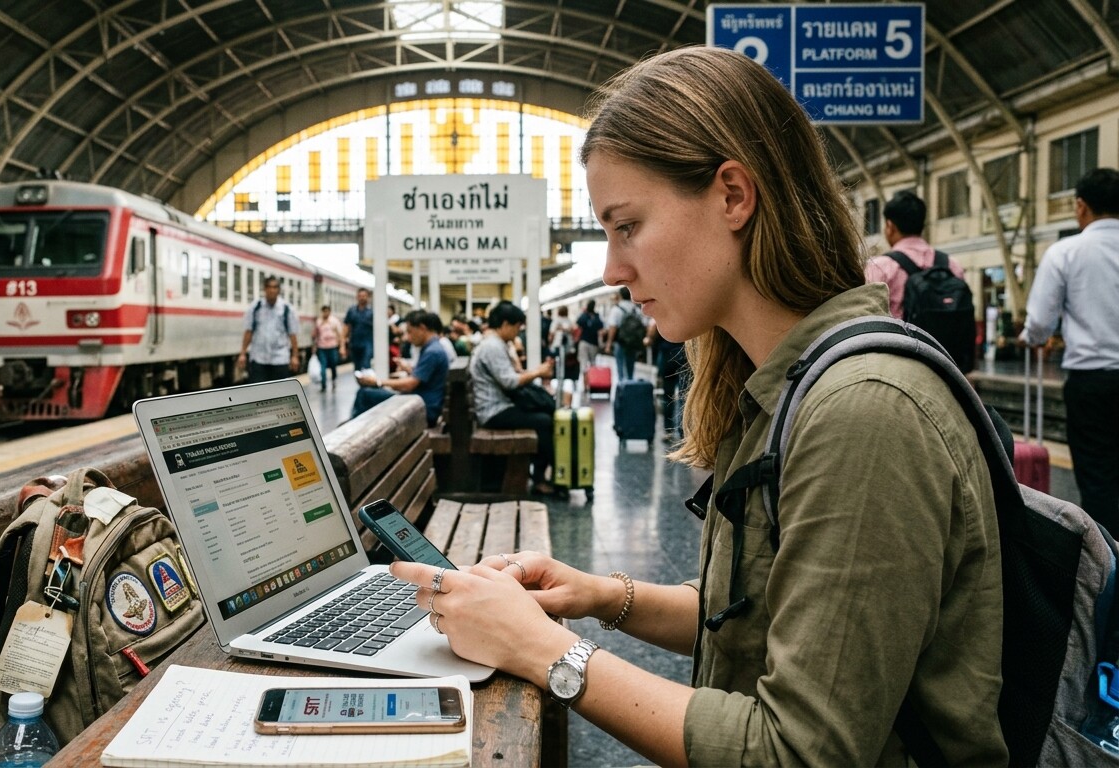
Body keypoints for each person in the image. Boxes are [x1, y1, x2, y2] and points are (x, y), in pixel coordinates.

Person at [390, 46, 1005, 767]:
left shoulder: (863, 412)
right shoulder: (790, 385)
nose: (615, 271)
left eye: (627, 226)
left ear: (733, 196)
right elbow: (758, 611)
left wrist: (544, 650)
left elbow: (799, 753)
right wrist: (595, 595)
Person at [1021, 166, 1119, 532]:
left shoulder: (1066, 252)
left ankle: (1110, 569)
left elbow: (1040, 322)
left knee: (1098, 479)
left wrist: (1031, 337)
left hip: (1091, 383)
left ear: (1081, 206)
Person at [468, 301, 556, 496]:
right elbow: (510, 382)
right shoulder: (492, 347)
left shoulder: (496, 344)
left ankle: (542, 474)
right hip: (494, 412)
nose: (518, 332)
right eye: (517, 327)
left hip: (497, 406)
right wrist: (538, 372)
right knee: (544, 421)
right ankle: (541, 478)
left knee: (544, 415)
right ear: (506, 324)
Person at [865, 190, 967, 320]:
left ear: (890, 226)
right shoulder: (952, 266)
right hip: (947, 341)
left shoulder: (880, 267)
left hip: (900, 340)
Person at [351, 310, 450, 426]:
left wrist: (377, 382)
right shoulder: (434, 347)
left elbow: (410, 384)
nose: (408, 337)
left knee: (364, 394)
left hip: (423, 408)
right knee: (371, 394)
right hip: (421, 403)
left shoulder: (432, 351)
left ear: (422, 328)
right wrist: (409, 370)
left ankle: (352, 431)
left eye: (410, 332)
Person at [238, 276, 300, 383]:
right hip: (259, 358)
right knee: (258, 393)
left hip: (280, 359)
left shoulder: (286, 309)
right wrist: (243, 353)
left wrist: (295, 356)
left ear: (279, 290)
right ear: (264, 289)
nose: (272, 290)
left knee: (279, 394)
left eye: (275, 287)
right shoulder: (256, 307)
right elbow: (249, 331)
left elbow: (292, 334)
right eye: (269, 287)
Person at [648, 321, 688, 442]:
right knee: (684, 397)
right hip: (684, 359)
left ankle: (669, 431)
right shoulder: (686, 316)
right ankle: (683, 432)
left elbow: (651, 334)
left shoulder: (662, 316)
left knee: (668, 397)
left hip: (667, 360)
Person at [603, 286, 643, 380]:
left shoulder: (616, 309)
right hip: (632, 343)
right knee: (630, 366)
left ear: (620, 296)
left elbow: (613, 328)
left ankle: (622, 387)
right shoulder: (636, 310)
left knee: (620, 366)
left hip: (620, 342)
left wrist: (608, 344)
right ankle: (630, 383)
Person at [312, 304, 345, 392]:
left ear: (329, 312)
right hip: (322, 347)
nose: (325, 313)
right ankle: (324, 385)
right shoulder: (319, 322)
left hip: (332, 347)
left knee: (333, 365)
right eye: (323, 311)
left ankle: (334, 380)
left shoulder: (334, 321)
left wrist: (342, 347)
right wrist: (314, 346)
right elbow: (315, 335)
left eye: (327, 311)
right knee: (323, 367)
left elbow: (340, 334)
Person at [343, 288, 374, 371]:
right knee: (357, 367)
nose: (362, 298)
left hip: (368, 343)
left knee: (366, 365)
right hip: (355, 343)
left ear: (368, 297)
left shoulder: (372, 312)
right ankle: (361, 383)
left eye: (364, 296)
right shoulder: (352, 311)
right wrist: (342, 345)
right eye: (360, 296)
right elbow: (346, 327)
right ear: (357, 297)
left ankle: (366, 383)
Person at [575, 298, 605, 377]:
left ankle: (585, 385)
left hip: (584, 342)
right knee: (593, 363)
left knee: (583, 364)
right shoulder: (597, 317)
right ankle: (592, 382)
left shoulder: (583, 316)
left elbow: (577, 327)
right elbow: (601, 330)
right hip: (594, 343)